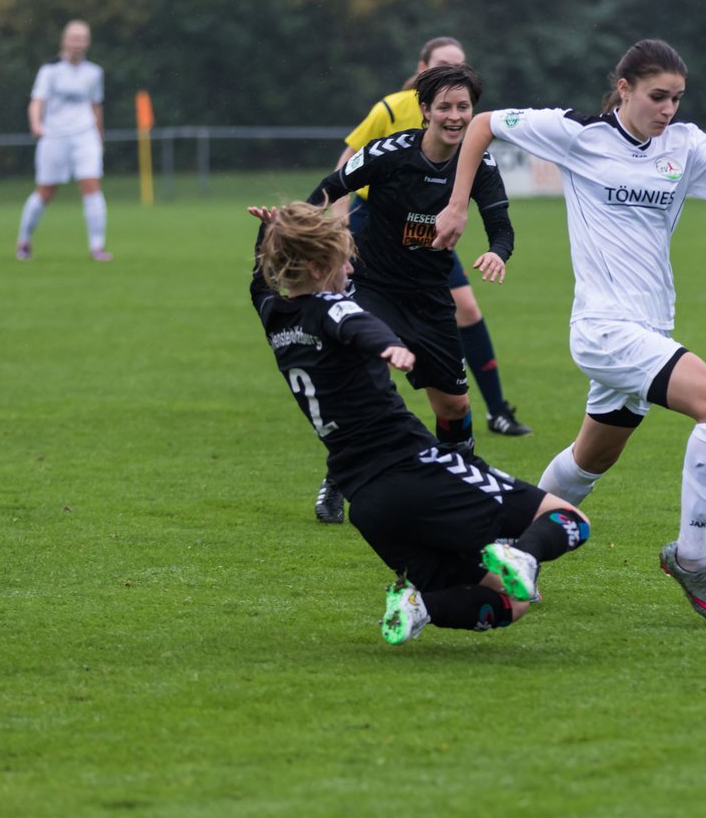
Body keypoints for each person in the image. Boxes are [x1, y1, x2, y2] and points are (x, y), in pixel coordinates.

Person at [433, 39, 706, 624]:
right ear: (624, 89)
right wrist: (459, 204)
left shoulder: (685, 146)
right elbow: (484, 123)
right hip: (604, 330)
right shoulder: (578, 133)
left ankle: (504, 546)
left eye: (676, 98)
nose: (667, 109)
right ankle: (690, 557)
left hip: (649, 329)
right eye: (657, 97)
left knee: (588, 463)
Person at [247, 200, 589, 644]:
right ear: (315, 269)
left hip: (365, 502)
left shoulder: (274, 315)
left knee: (511, 604)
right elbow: (356, 325)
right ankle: (521, 554)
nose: (349, 273)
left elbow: (259, 283)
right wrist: (390, 347)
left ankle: (419, 605)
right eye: (342, 263)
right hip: (414, 468)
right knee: (570, 521)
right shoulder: (333, 308)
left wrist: (269, 236)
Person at [313, 38, 532, 525]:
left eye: (465, 108)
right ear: (425, 110)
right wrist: (296, 225)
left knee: (453, 403)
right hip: (374, 286)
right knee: (367, 383)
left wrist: (497, 253)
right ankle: (339, 477)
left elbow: (500, 224)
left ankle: (462, 473)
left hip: (430, 298)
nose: (456, 117)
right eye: (446, 107)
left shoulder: (478, 163)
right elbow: (329, 188)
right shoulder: (389, 153)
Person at [15, 19, 111, 262]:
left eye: (82, 39)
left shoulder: (94, 73)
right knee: (46, 192)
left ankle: (97, 247)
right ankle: (24, 241)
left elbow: (95, 107)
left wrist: (99, 138)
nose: (78, 44)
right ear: (64, 40)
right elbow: (37, 100)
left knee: (91, 186)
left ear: (88, 43)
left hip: (84, 135)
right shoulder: (50, 70)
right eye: (74, 38)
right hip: (55, 136)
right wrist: (36, 123)